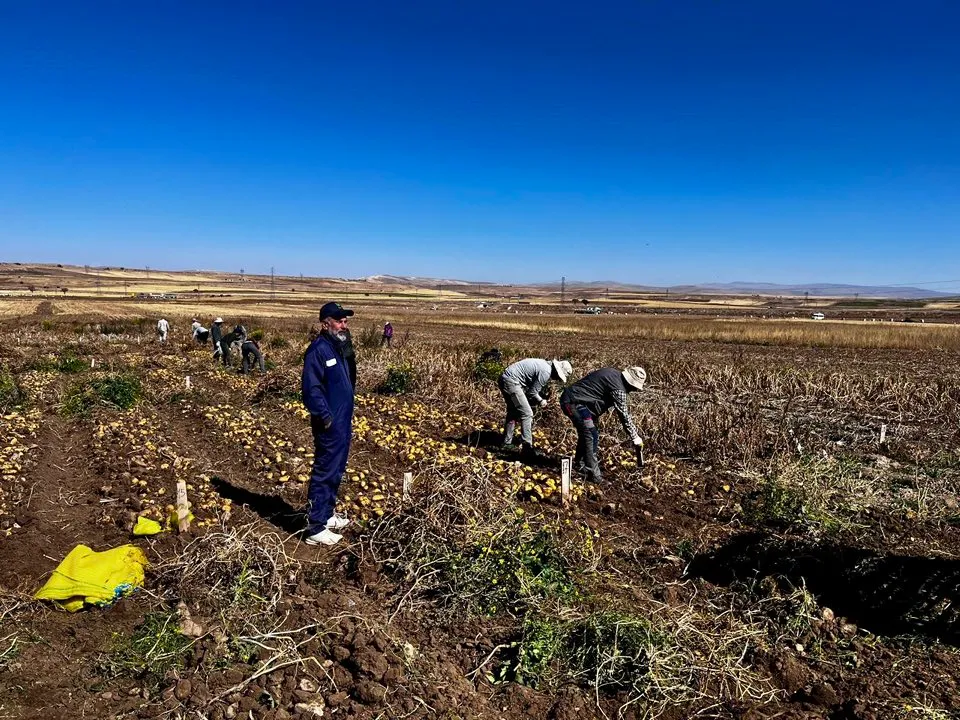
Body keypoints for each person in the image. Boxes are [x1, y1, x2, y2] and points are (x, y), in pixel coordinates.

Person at [301, 302, 356, 545]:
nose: (344, 324)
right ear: (326, 324)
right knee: (325, 470)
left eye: (345, 320)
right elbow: (311, 389)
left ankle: (327, 514)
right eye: (339, 320)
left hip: (343, 420)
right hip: (330, 423)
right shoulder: (318, 350)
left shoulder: (338, 347)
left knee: (337, 468)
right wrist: (325, 417)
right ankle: (315, 527)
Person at [560, 366, 647, 483]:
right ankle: (594, 475)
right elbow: (624, 415)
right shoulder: (618, 389)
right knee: (590, 434)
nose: (634, 391)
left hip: (581, 402)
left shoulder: (612, 373)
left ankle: (581, 465)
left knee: (589, 433)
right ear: (630, 383)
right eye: (634, 388)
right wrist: (635, 437)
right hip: (574, 402)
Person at [499, 358, 572, 453]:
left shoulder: (544, 365)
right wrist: (541, 401)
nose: (557, 379)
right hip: (511, 383)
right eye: (558, 377)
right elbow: (532, 393)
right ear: (557, 371)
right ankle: (527, 447)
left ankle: (506, 443)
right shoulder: (546, 372)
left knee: (514, 412)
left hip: (506, 379)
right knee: (527, 414)